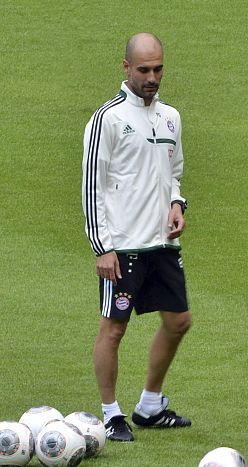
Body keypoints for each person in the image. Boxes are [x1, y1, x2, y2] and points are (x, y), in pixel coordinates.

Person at [81, 33, 192, 442]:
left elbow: (173, 170)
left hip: (162, 243)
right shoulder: (107, 119)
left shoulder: (171, 117)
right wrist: (102, 247)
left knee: (178, 322)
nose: (152, 78)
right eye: (144, 70)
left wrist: (177, 203)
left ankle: (149, 405)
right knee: (114, 329)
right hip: (123, 245)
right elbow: (91, 185)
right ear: (126, 67)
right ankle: (111, 414)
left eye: (158, 69)